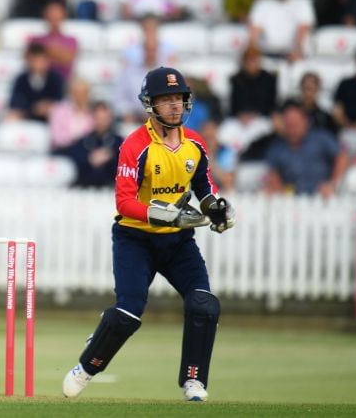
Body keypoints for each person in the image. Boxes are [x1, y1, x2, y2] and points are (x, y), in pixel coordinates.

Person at [62, 66, 235, 402]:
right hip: (135, 239)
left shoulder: (195, 143)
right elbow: (124, 202)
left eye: (178, 98)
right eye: (165, 99)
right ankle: (86, 367)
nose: (174, 105)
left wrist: (214, 206)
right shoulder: (135, 144)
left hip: (178, 242)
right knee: (128, 313)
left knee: (204, 304)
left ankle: (194, 381)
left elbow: (204, 185)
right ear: (150, 105)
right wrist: (164, 213)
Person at [264, 100, 348, 197]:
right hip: (291, 198)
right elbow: (273, 174)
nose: (292, 130)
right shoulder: (276, 146)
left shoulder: (321, 138)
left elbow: (342, 157)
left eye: (295, 125)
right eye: (289, 125)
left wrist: (333, 184)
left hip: (323, 196)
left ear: (306, 122)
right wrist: (278, 189)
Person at [54, 101, 122, 188]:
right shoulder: (83, 141)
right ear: (93, 118)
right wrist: (89, 158)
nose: (101, 122)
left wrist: (110, 155)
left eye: (104, 118)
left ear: (110, 119)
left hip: (111, 190)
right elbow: (71, 157)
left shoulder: (119, 142)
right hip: (85, 190)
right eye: (98, 118)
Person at [248, 0, 315, 62]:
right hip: (267, 51)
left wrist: (298, 50)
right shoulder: (262, 2)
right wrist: (252, 51)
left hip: (294, 51)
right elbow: (254, 30)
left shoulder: (302, 1)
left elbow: (303, 28)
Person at [6, 43, 65, 123]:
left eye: (41, 60)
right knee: (11, 117)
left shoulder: (56, 79)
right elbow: (15, 102)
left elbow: (60, 102)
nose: (38, 64)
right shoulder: (21, 79)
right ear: (29, 61)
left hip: (49, 118)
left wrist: (48, 105)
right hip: (26, 116)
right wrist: (34, 108)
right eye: (35, 61)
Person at [29, 0, 78, 81]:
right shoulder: (36, 38)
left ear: (63, 15)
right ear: (45, 15)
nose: (54, 17)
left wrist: (44, 50)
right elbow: (32, 61)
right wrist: (58, 53)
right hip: (40, 82)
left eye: (57, 14)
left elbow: (68, 59)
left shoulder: (71, 40)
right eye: (51, 14)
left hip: (63, 82)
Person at [49, 77, 93, 148]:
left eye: (83, 93)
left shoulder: (92, 113)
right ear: (71, 93)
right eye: (76, 92)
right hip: (64, 149)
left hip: (85, 151)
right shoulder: (59, 110)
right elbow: (56, 137)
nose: (79, 96)